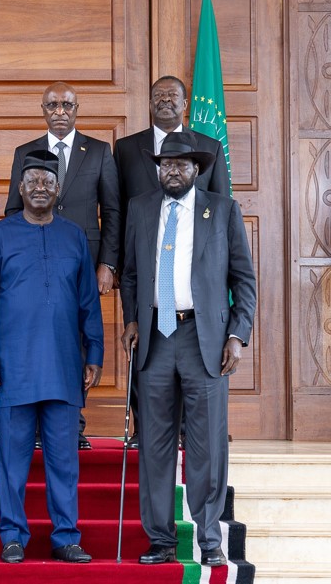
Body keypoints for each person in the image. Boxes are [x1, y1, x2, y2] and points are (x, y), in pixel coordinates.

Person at [119, 134, 256, 567]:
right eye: (165, 165)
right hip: (156, 339)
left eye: (180, 165)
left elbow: (244, 280)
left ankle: (209, 536)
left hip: (206, 340)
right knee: (154, 444)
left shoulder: (223, 209)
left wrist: (238, 334)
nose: (172, 172)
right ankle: (160, 538)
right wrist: (131, 320)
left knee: (207, 444)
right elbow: (129, 275)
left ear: (196, 169)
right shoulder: (140, 208)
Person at [0, 150, 104, 565]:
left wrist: (95, 351)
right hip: (12, 368)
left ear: (58, 189)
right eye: (32, 180)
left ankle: (66, 536)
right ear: (20, 187)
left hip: (65, 367)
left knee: (63, 462)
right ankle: (12, 536)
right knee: (12, 462)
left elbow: (88, 301)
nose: (39, 188)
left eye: (47, 181)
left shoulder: (74, 237)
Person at [114, 76, 231, 449]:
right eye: (158, 95)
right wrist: (116, 265)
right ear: (149, 102)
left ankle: (190, 431)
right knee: (147, 351)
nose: (165, 101)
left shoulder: (208, 147)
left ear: (185, 104)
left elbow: (224, 208)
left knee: (193, 363)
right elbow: (118, 209)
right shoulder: (127, 148)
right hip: (146, 265)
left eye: (172, 96)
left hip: (194, 272)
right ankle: (145, 428)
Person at [4, 82, 119, 450]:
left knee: (76, 339)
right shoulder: (26, 152)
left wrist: (108, 264)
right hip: (33, 265)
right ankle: (37, 427)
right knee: (37, 338)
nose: (59, 111)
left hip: (80, 263)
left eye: (67, 105)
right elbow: (11, 209)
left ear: (77, 109)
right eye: (52, 105)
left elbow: (112, 211)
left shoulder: (99, 151)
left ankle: (74, 425)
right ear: (42, 109)